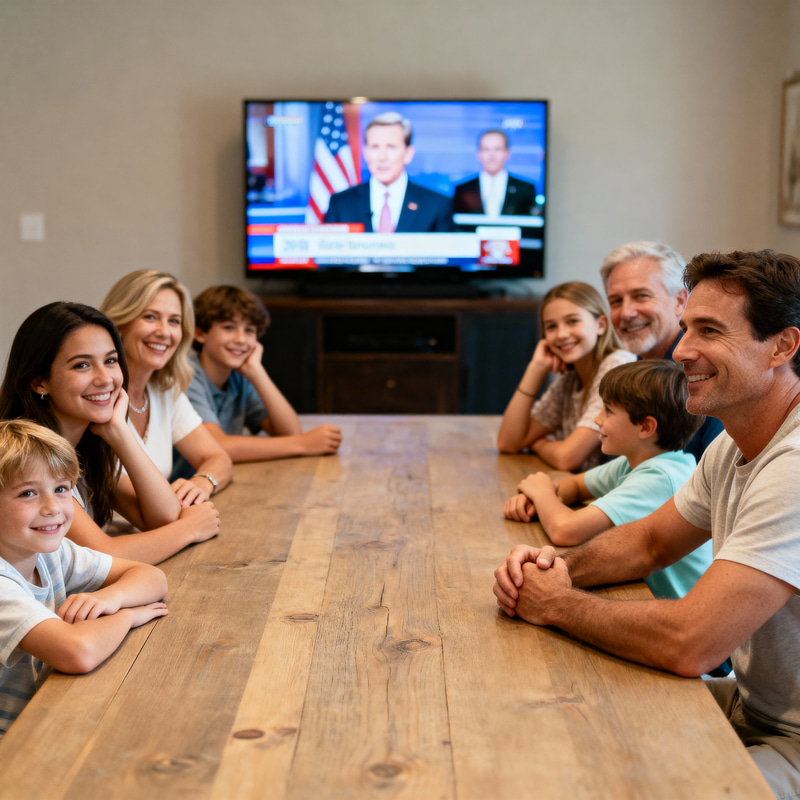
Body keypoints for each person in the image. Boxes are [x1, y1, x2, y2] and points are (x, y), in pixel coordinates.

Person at [494, 249, 800, 797]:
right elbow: (650, 542)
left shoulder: (794, 465)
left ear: (783, 345)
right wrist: (550, 568)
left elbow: (693, 642)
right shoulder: (733, 443)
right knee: (551, 717)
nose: (682, 350)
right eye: (686, 328)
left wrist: (556, 603)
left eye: (709, 331)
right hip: (749, 703)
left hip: (791, 741)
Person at [0, 302, 221, 564]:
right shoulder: (25, 454)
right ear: (39, 382)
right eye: (82, 365)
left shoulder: (88, 444)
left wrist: (120, 432)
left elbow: (164, 518)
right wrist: (191, 529)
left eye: (111, 360)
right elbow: (103, 556)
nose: (105, 379)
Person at [0, 418, 168, 738]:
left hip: (48, 713)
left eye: (61, 489)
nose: (52, 507)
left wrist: (109, 598)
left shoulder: (52, 552)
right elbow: (78, 652)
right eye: (28, 493)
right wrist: (128, 615)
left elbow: (151, 577)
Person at [503, 360, 709, 600]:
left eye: (608, 411)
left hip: (674, 609)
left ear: (645, 427)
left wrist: (541, 493)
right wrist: (536, 499)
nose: (597, 419)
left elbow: (564, 530)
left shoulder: (659, 477)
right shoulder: (638, 459)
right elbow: (578, 486)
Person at [172, 286, 342, 476]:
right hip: (182, 491)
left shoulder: (240, 376)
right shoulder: (185, 374)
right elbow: (215, 446)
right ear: (200, 333)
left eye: (249, 330)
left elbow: (290, 431)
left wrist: (257, 372)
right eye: (229, 327)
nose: (241, 339)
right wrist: (303, 444)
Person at [100, 270, 233, 505]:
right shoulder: (96, 397)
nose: (164, 332)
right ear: (119, 324)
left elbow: (218, 457)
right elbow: (144, 506)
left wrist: (203, 482)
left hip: (161, 528)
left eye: (174, 321)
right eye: (150, 317)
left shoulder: (165, 391)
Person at [601, 241, 723, 461]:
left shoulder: (704, 374)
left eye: (641, 296)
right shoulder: (630, 374)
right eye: (616, 301)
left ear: (679, 302)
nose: (626, 312)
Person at [497, 281, 636, 471]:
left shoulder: (617, 366)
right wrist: (535, 369)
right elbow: (508, 442)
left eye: (572, 321)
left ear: (601, 325)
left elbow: (567, 458)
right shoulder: (570, 379)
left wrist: (536, 443)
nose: (561, 334)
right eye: (551, 326)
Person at [323, 112, 455, 233]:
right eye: (375, 147)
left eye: (391, 147)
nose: (382, 157)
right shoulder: (341, 203)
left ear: (408, 154)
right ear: (365, 153)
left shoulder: (436, 205)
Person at [453, 129, 539, 217]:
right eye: (486, 149)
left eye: (498, 149)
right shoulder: (462, 189)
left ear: (507, 153)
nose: (492, 155)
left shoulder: (525, 189)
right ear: (478, 154)